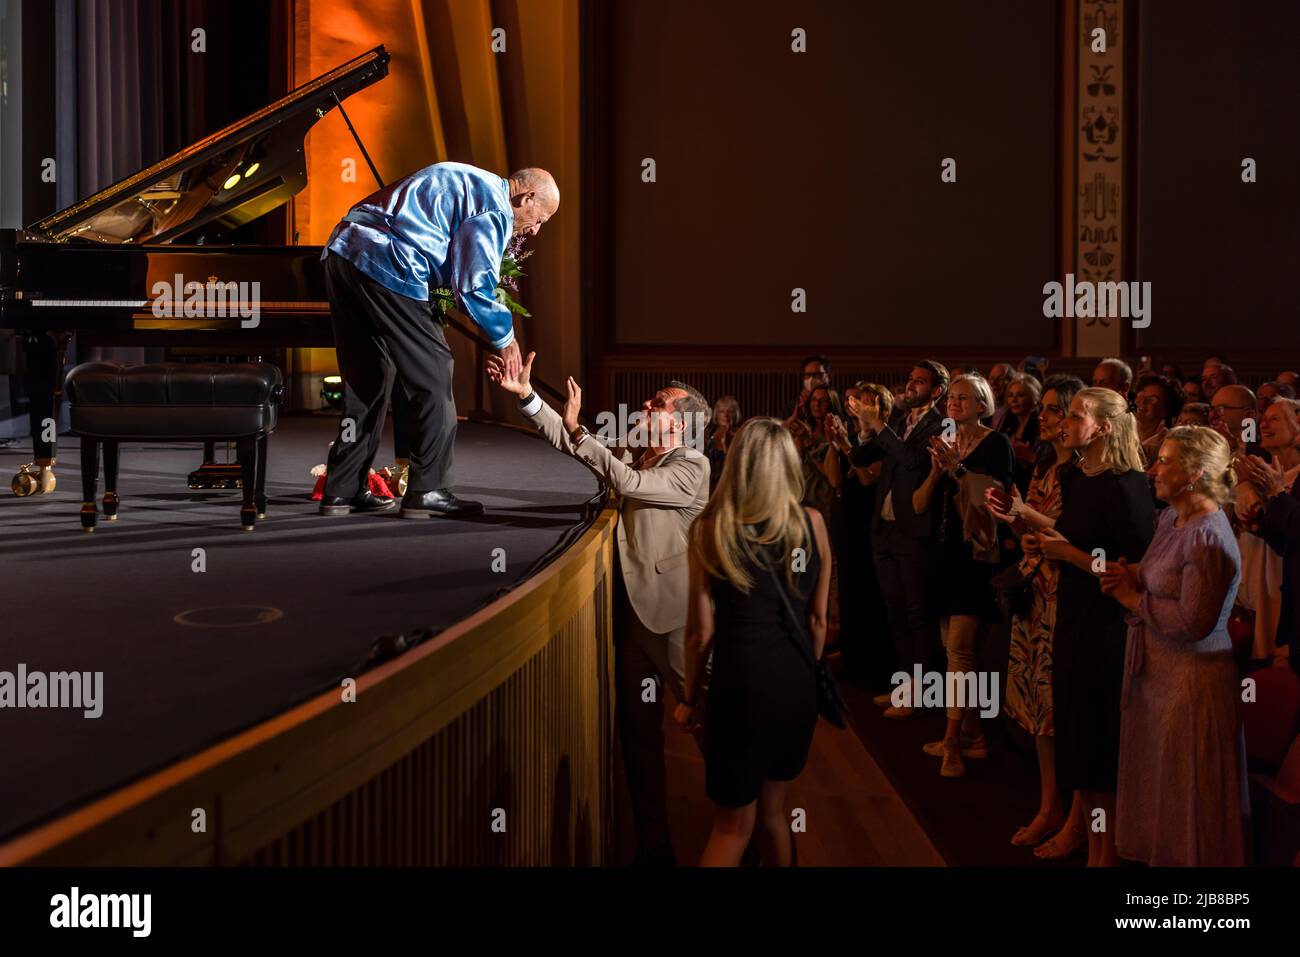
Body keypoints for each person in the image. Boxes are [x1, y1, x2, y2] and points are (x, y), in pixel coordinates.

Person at [486, 349, 711, 865]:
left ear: (683, 425)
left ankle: (741, 829)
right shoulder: (637, 449)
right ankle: (655, 847)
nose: (647, 405)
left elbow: (627, 482)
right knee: (637, 738)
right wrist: (527, 399)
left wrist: (583, 434)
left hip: (672, 617)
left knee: (707, 722)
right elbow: (577, 443)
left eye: (660, 403)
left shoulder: (692, 466)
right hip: (630, 619)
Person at [318, 162, 558, 517]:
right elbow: (473, 285)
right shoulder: (494, 204)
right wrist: (506, 339)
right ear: (527, 196)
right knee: (434, 373)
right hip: (390, 263)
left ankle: (342, 489)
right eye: (540, 219)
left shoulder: (464, 176)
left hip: (344, 252)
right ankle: (428, 490)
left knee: (366, 377)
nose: (535, 230)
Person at [676, 418, 832, 866]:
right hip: (794, 684)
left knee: (731, 827)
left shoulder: (711, 527)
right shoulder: (813, 523)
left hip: (739, 683)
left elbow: (700, 632)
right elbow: (819, 619)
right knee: (774, 815)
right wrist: (808, 674)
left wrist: (689, 698)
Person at [1100, 426, 1249, 865]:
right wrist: (1130, 576)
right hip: (1158, 672)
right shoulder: (1171, 518)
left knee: (1189, 792)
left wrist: (1131, 598)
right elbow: (1154, 578)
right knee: (1161, 785)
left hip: (1192, 681)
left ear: (1195, 473)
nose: (1153, 470)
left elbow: (1193, 622)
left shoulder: (1208, 536)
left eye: (1164, 461)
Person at [1032, 387, 1155, 866]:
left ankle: (1106, 853)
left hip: (1108, 627)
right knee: (1078, 741)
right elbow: (1077, 541)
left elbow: (1139, 569)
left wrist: (1070, 555)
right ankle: (1090, 841)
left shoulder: (1126, 485)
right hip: (1074, 614)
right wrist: (1047, 545)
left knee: (1098, 746)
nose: (1065, 421)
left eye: (1076, 415)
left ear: (1103, 427)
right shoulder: (1079, 475)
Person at [986, 375, 1086, 851]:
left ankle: (1078, 817)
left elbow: (1080, 537)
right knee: (1040, 710)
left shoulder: (1086, 472)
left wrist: (1031, 519)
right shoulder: (1047, 464)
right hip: (1037, 593)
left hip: (1068, 600)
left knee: (1068, 711)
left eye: (1051, 410)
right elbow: (1041, 527)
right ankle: (1050, 805)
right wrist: (1020, 524)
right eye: (1042, 408)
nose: (1042, 418)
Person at [911, 374, 1014, 777]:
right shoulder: (945, 443)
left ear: (983, 403)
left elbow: (997, 501)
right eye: (951, 397)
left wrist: (956, 471)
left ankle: (952, 743)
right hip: (943, 555)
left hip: (976, 556)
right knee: (949, 647)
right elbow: (921, 504)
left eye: (963, 397)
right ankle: (973, 736)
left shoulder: (997, 443)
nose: (953, 403)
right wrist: (939, 470)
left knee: (961, 651)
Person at [848, 361, 950, 718]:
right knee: (894, 611)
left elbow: (911, 461)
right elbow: (862, 457)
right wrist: (864, 429)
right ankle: (903, 685)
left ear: (936, 390)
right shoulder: (901, 422)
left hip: (914, 530)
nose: (911, 386)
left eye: (919, 382)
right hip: (885, 527)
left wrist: (878, 425)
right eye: (910, 380)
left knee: (917, 613)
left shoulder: (941, 424)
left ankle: (920, 692)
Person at [1230, 399, 1300, 667]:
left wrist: (1259, 492)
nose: (1264, 423)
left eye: (1275, 419)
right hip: (1251, 577)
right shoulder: (1260, 470)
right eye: (1264, 418)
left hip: (1279, 582)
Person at [999, 374, 1041, 496]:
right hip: (1010, 484)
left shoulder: (1040, 424)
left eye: (1020, 395)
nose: (1014, 400)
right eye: (1011, 395)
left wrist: (1029, 456)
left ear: (1034, 398)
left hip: (1031, 486)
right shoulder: (1008, 422)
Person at [1133, 374, 1185, 467]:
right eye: (1142, 395)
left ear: (1164, 411)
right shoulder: (1123, 432)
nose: (1143, 401)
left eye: (1152, 399)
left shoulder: (1164, 445)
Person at [705, 396, 742, 494]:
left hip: (730, 482)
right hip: (708, 481)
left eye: (730, 411)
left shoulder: (740, 433)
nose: (726, 415)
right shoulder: (708, 432)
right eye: (722, 411)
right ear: (716, 414)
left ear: (735, 414)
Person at [782, 355, 831, 420]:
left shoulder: (841, 403)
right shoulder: (792, 407)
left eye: (817, 375)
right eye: (807, 375)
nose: (811, 379)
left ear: (829, 377)